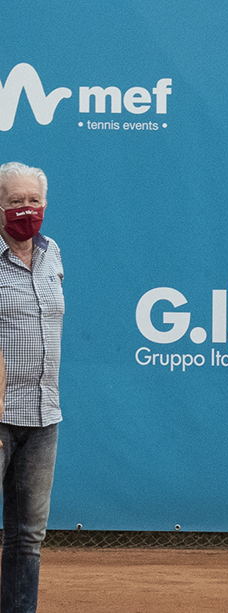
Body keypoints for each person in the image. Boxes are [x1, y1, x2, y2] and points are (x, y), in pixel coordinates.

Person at [0, 161, 64, 613]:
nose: (26, 209)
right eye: (15, 201)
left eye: (33, 201)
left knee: (28, 538)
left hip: (43, 415)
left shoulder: (52, 252)